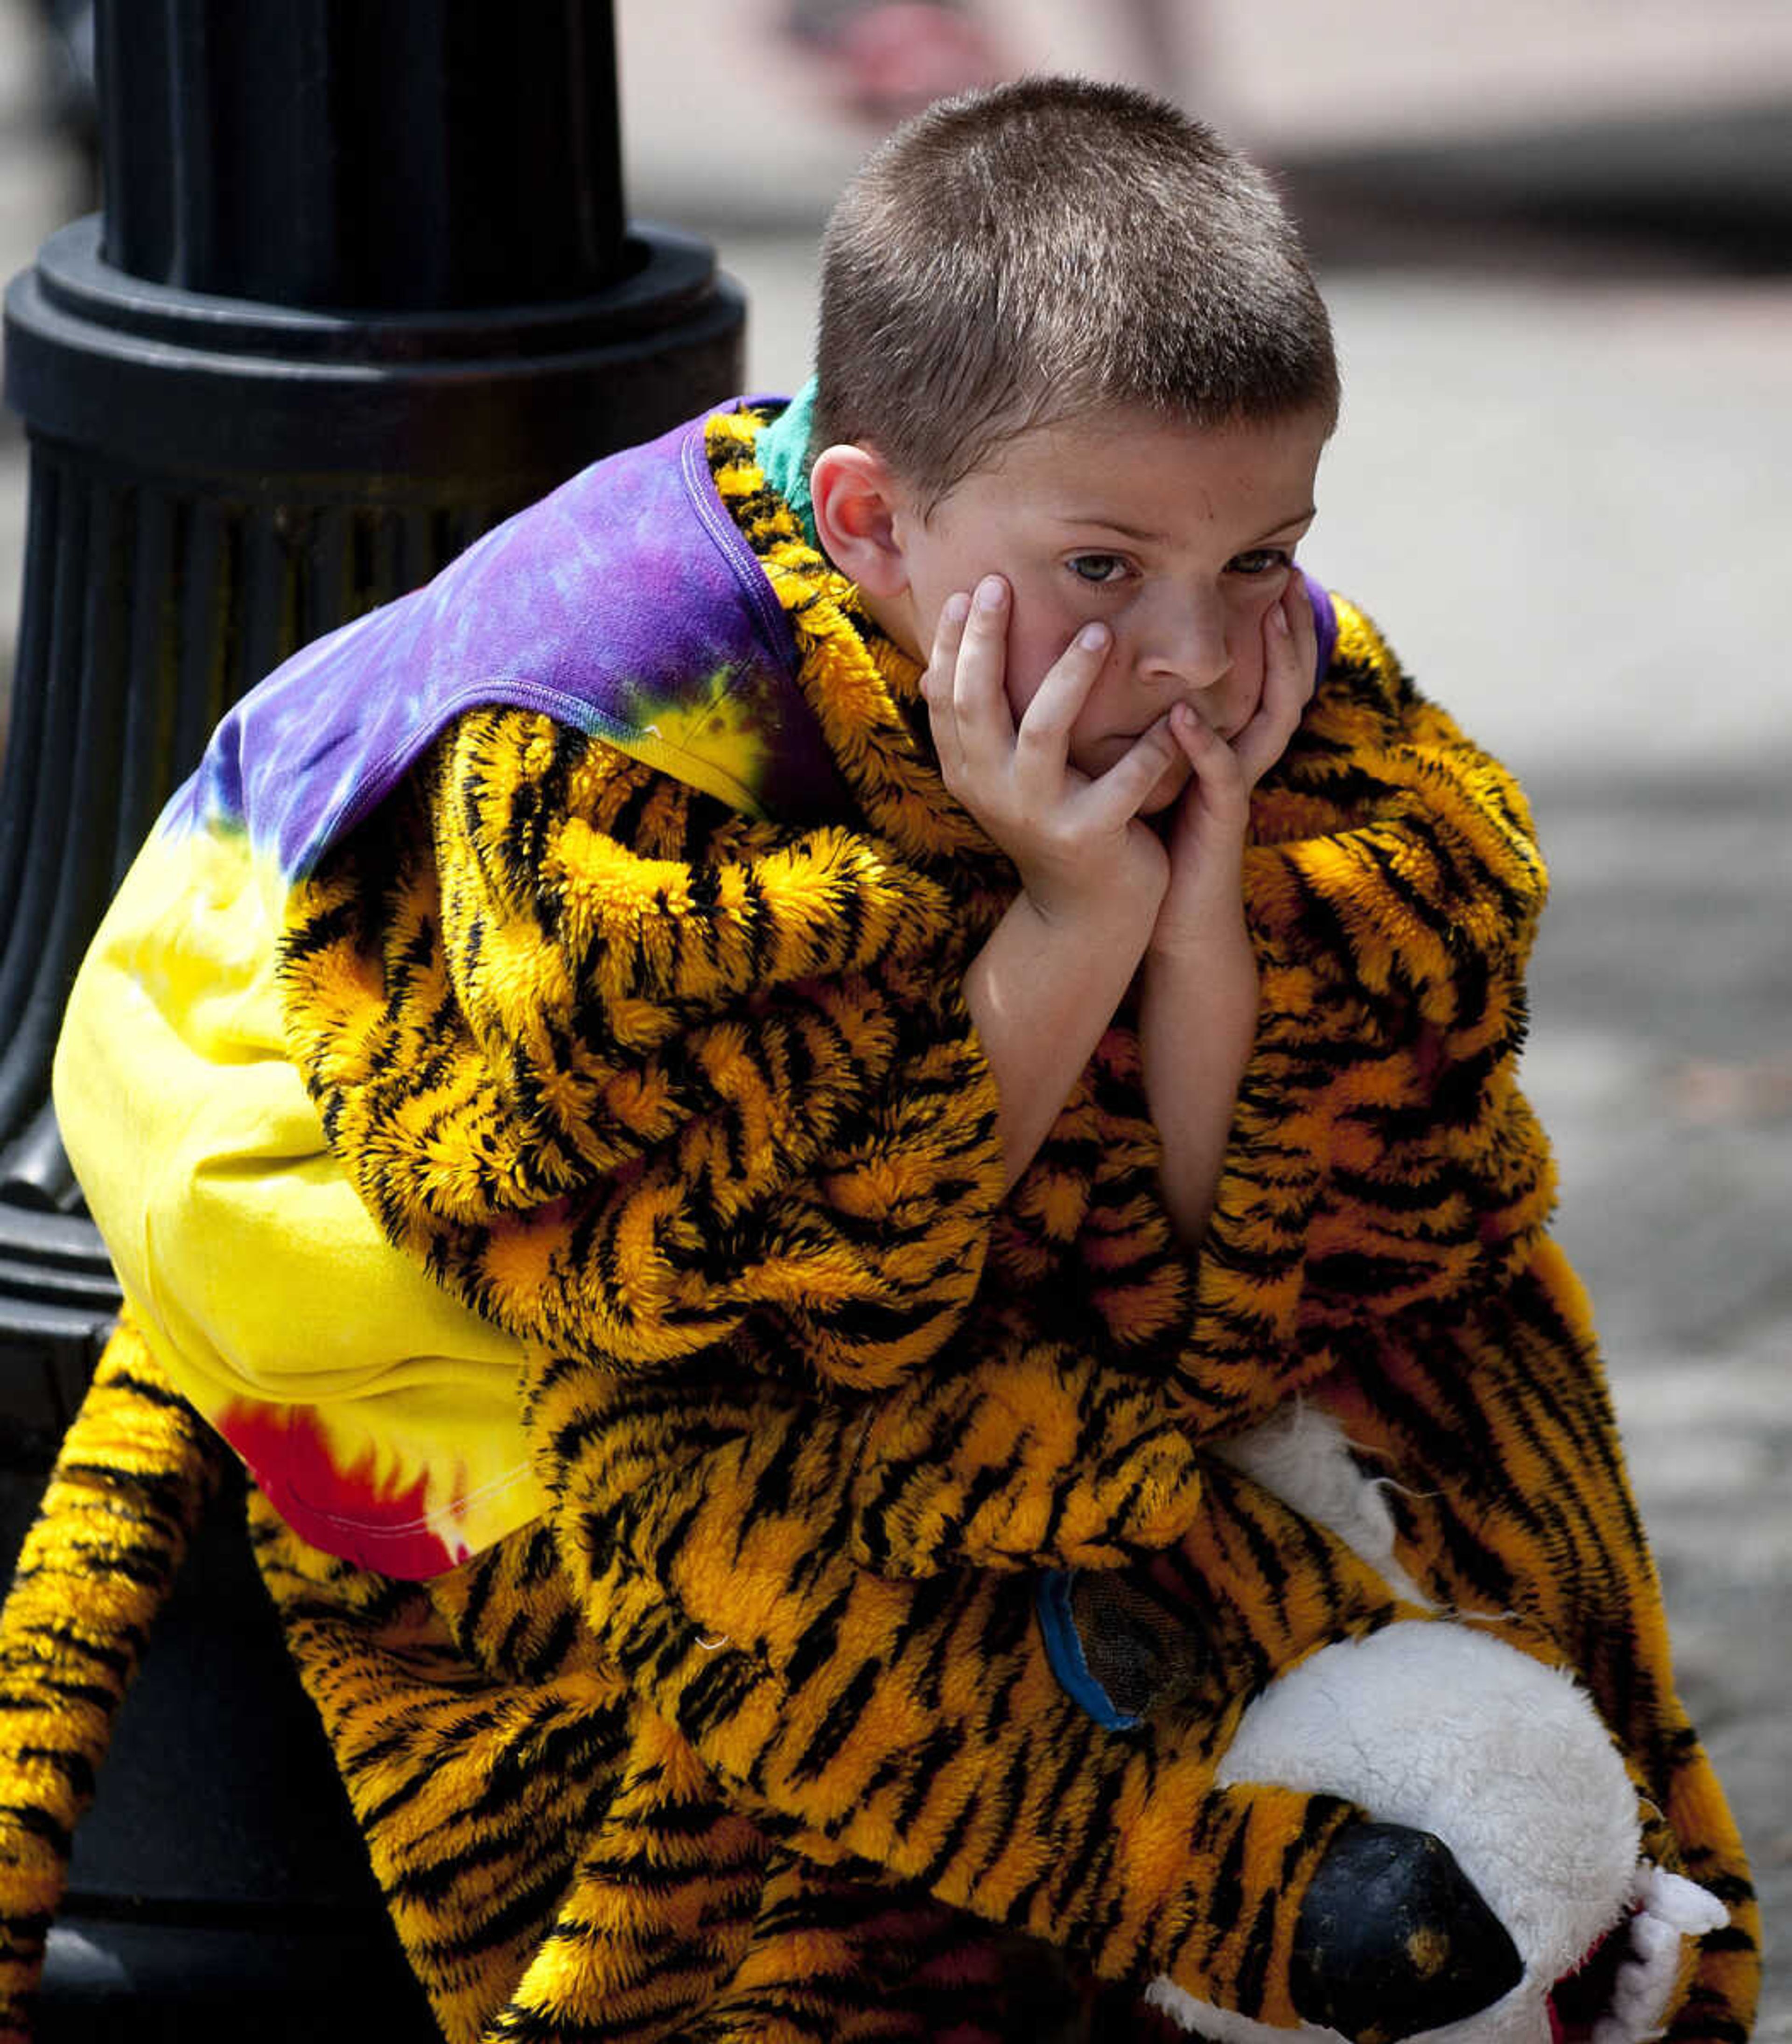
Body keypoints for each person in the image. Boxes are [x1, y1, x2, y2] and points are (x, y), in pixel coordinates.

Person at [2, 78, 1759, 2044]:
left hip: (914, 1172)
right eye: (1105, 572)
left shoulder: (1231, 641)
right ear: (866, 518)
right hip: (381, 1203)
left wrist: (1190, 921)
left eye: (1264, 555)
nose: (1192, 650)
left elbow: (1282, 1252)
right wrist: (1064, 928)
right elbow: (766, 1318)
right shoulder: (602, 751)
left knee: (1466, 1327)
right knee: (763, 1574)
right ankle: (1152, 1897)